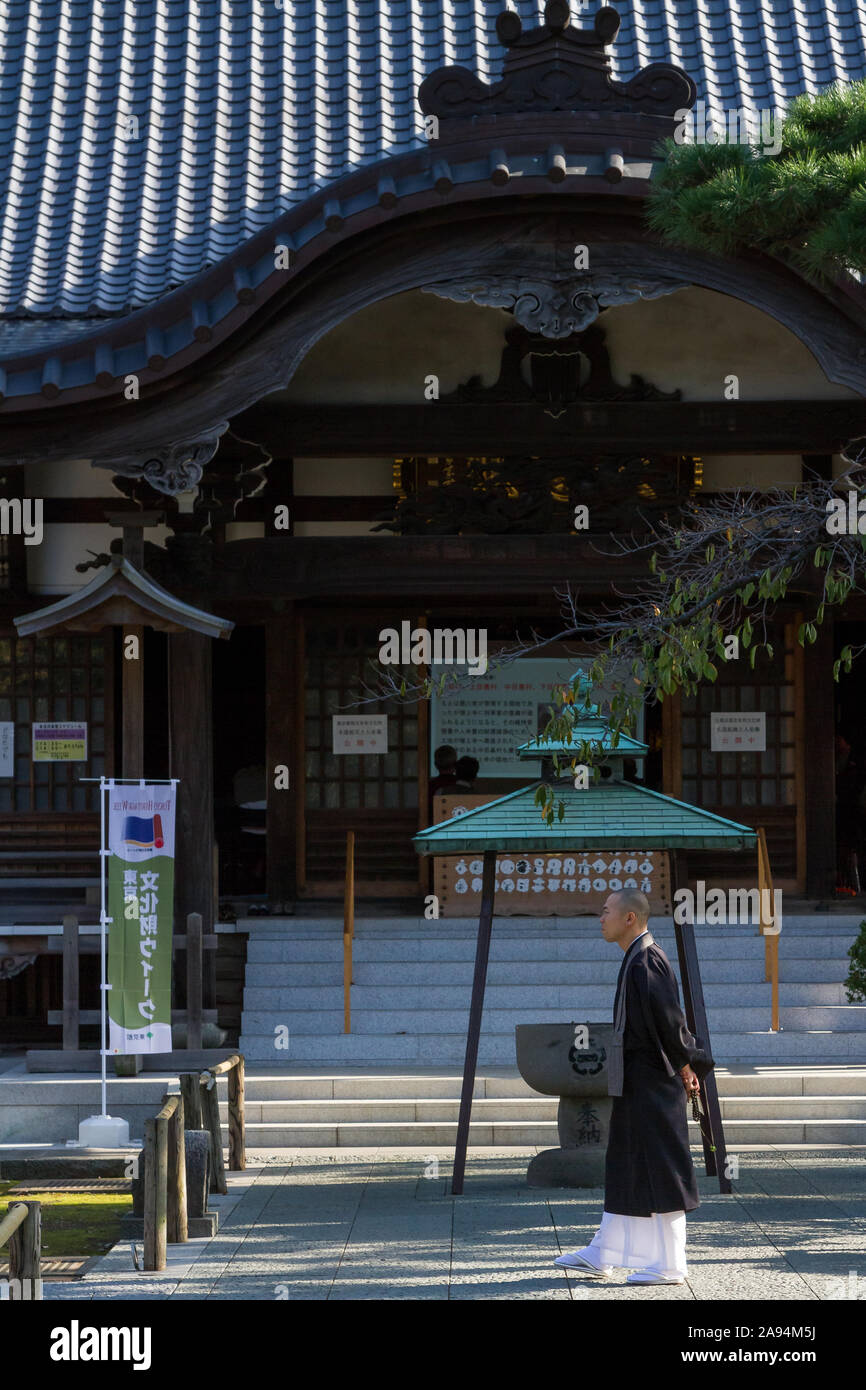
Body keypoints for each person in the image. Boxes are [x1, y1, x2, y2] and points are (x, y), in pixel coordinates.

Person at [555, 889, 707, 1286]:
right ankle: (604, 1253)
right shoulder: (636, 957)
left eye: (606, 911)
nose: (600, 917)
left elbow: (671, 1022)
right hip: (638, 1082)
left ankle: (671, 1264)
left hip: (654, 1083)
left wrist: (691, 1061)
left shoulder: (647, 960)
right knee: (625, 1166)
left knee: (663, 1168)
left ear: (629, 919)